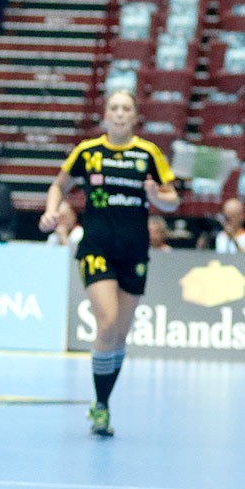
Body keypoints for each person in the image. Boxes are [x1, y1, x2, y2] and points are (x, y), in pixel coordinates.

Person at [40, 91, 177, 437]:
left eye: (126, 108)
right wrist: (51, 211)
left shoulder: (149, 153)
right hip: (96, 247)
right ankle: (100, 405)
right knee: (108, 321)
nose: (119, 114)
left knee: (120, 334)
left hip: (134, 251)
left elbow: (173, 200)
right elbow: (59, 185)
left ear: (135, 116)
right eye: (114, 108)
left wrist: (155, 196)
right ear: (106, 115)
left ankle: (103, 403)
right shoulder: (87, 152)